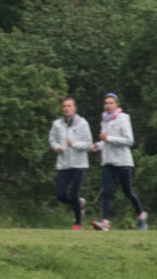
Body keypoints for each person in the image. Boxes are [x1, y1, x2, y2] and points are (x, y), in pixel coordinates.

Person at [95, 93, 145, 230]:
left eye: (111, 103)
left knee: (127, 191)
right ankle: (104, 222)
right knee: (107, 191)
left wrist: (108, 138)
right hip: (108, 161)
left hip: (123, 162)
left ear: (117, 104)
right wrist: (97, 145)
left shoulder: (123, 118)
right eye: (106, 103)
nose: (108, 106)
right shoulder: (104, 120)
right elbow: (105, 141)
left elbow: (129, 140)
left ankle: (141, 214)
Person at [49, 99, 90, 230]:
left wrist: (74, 145)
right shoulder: (57, 124)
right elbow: (52, 140)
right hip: (63, 164)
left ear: (75, 108)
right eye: (64, 106)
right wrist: (57, 147)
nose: (67, 108)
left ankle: (78, 223)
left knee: (74, 194)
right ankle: (77, 203)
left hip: (79, 164)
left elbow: (88, 143)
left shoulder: (82, 123)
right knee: (60, 194)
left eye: (69, 106)